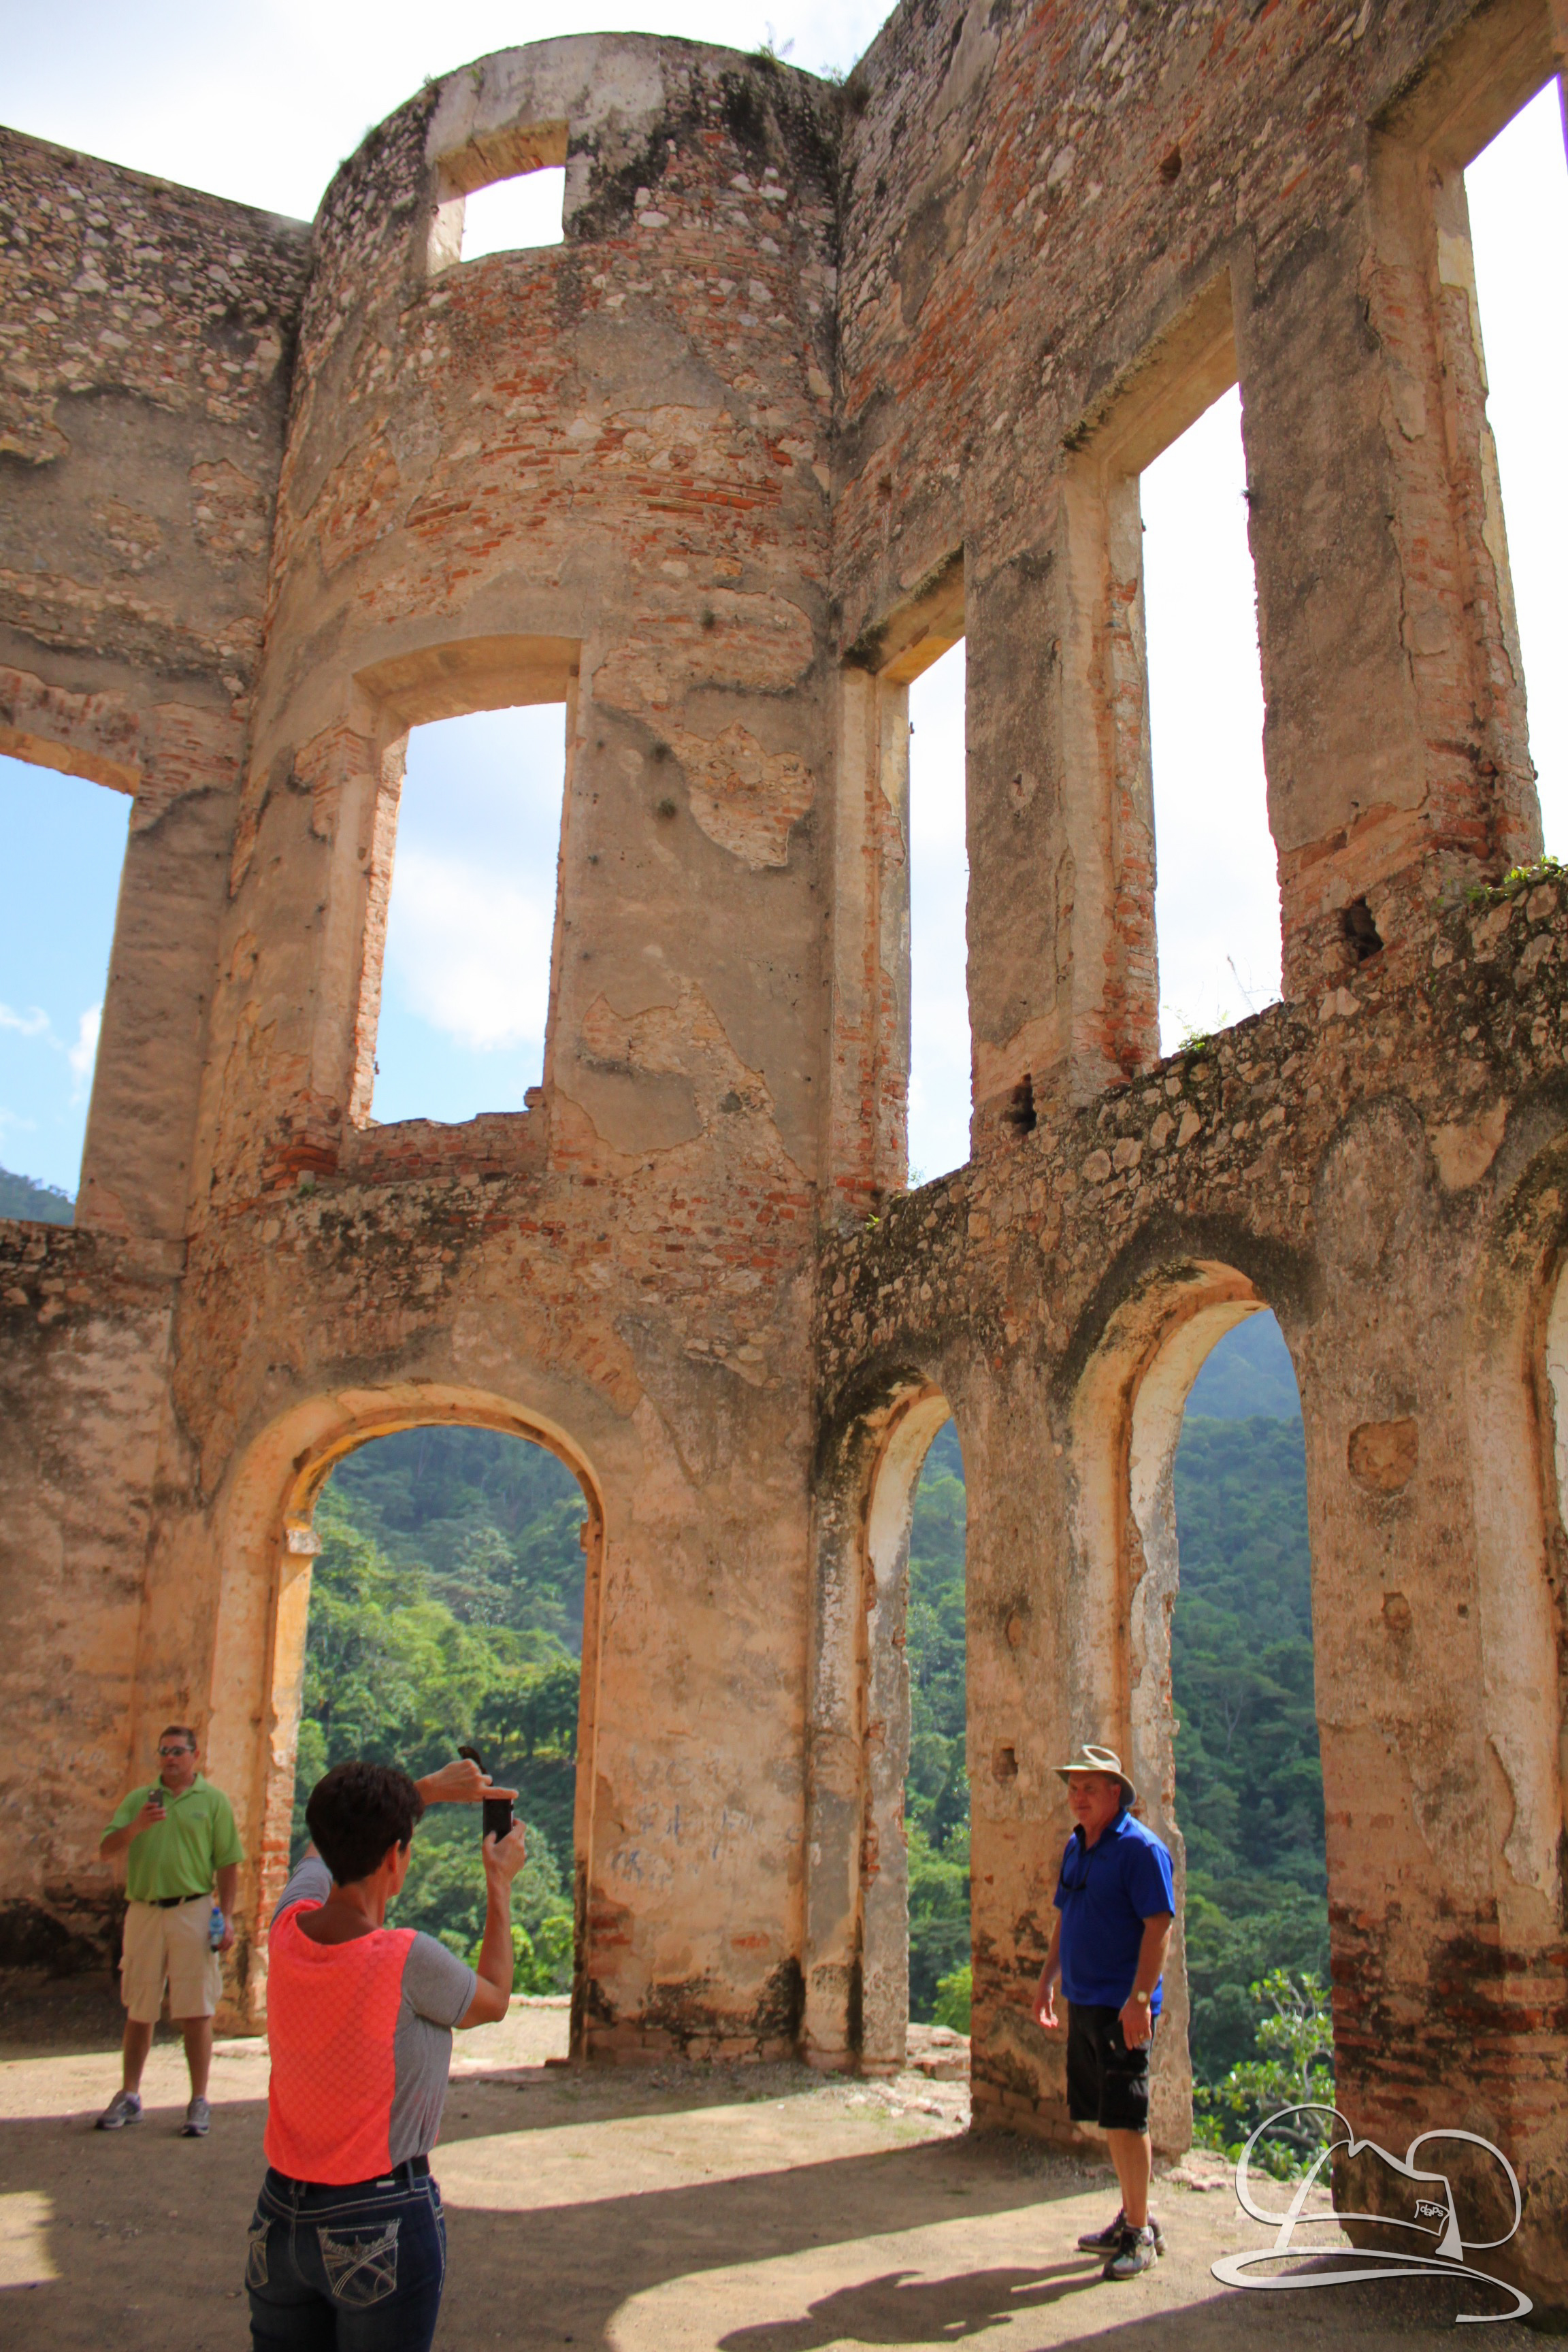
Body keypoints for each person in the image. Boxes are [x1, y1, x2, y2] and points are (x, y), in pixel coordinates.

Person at [245, 1753, 527, 2351]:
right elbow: (494, 1998)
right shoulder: (406, 1958)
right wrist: (499, 1884)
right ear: (396, 1857)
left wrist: (422, 1792)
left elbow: (321, 1847)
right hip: (378, 2217)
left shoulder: (288, 1925)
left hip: (279, 2214)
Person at [1032, 1743, 1175, 2281]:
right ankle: (1132, 2216)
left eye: (1090, 1788)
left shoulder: (1140, 1849)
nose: (1079, 1797)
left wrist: (1139, 2001)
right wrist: (1048, 1980)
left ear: (1116, 1793)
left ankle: (1140, 2233)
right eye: (1074, 1788)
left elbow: (1159, 1926)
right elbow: (1066, 1916)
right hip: (1086, 2000)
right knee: (1112, 2116)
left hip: (1122, 2008)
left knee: (1128, 2116)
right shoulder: (1079, 1845)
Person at [96, 1724, 244, 2138]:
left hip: (192, 1910)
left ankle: (199, 2100)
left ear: (194, 1755)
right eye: (164, 1751)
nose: (170, 1758)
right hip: (144, 1911)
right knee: (140, 2007)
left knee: (196, 2009)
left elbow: (228, 1862)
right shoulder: (138, 1800)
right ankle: (130, 2095)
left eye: (178, 1751)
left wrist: (227, 1916)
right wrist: (136, 1827)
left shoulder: (213, 1802)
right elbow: (106, 1849)